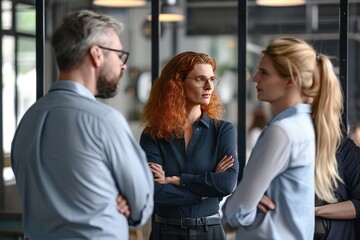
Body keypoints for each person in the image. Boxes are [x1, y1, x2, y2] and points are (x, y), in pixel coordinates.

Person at [11, 10, 153, 239]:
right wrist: (120, 195)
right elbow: (141, 206)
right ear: (96, 54)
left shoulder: (28, 119)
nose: (123, 65)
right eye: (119, 55)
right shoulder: (105, 121)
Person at [223, 37, 343, 240]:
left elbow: (237, 212)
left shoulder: (282, 132)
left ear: (290, 79)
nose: (255, 78)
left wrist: (236, 203)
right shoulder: (304, 125)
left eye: (264, 72)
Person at [139, 51, 239, 240]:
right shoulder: (153, 134)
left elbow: (226, 184)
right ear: (177, 84)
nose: (209, 86)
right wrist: (202, 193)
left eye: (211, 79)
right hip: (165, 232)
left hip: (210, 231)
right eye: (201, 79)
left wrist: (176, 180)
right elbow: (153, 190)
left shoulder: (223, 131)